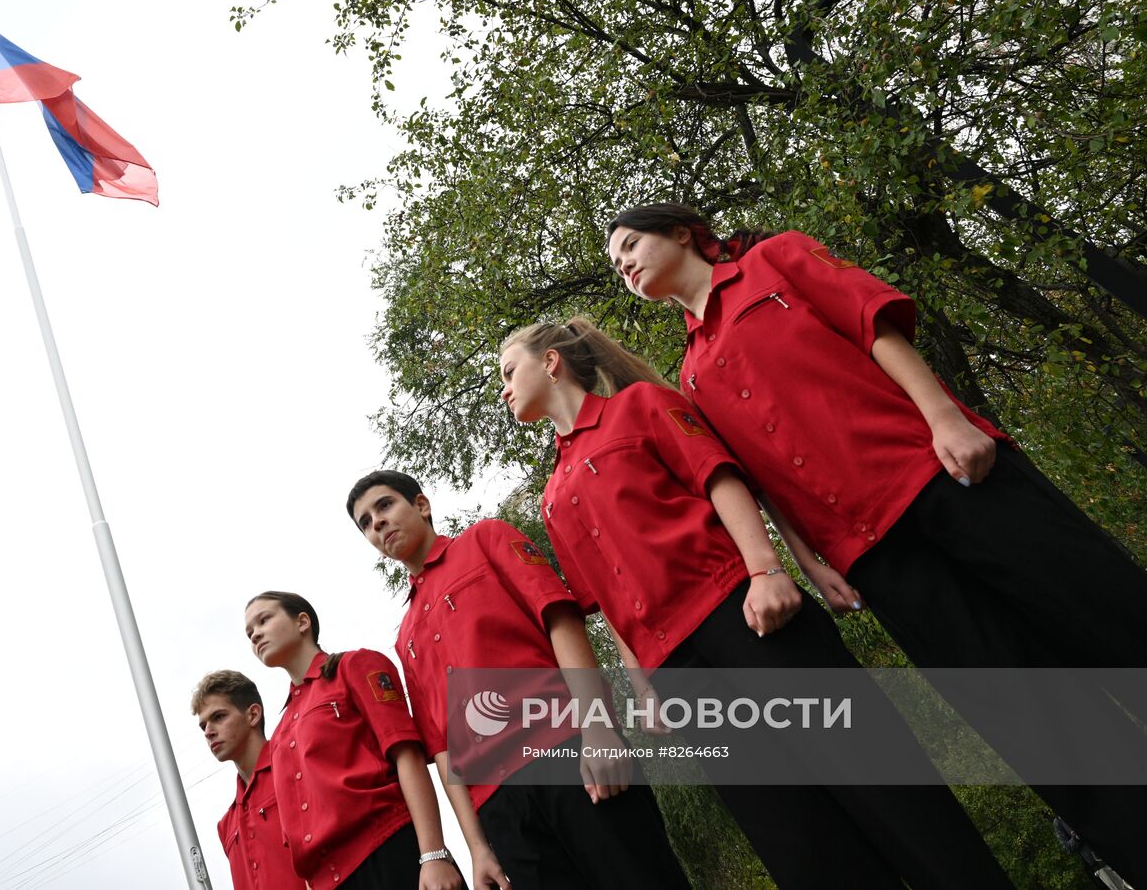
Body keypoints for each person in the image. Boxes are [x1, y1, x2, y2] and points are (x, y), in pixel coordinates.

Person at [603, 202, 1147, 884]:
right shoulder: (690, 376)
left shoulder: (776, 258)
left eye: (629, 244)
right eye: (615, 261)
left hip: (945, 475)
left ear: (681, 231)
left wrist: (944, 415)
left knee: (1112, 615)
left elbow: (873, 324)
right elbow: (760, 478)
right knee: (1025, 713)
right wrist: (810, 559)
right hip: (877, 556)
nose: (623, 263)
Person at [499, 317, 1015, 889]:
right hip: (679, 672)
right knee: (794, 840)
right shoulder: (552, 495)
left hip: (744, 616)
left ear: (550, 363)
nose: (503, 388)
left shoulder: (640, 405)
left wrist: (765, 570)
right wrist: (642, 685)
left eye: (508, 370)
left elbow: (718, 479)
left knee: (882, 785)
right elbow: (606, 598)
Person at [346, 469, 691, 890]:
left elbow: (560, 621)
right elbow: (441, 748)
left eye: (384, 506)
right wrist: (477, 847)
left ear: (421, 505)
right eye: (365, 522)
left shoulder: (486, 540)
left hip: (569, 755)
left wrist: (598, 729)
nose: (377, 522)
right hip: (500, 809)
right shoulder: (404, 638)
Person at [244, 591, 464, 890]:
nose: (256, 634)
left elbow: (406, 755)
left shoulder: (354, 667)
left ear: (302, 622)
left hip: (388, 851)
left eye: (264, 620)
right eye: (249, 633)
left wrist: (433, 854)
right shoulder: (281, 733)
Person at [191, 669, 304, 890]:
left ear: (253, 715)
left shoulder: (299, 766)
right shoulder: (227, 825)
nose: (208, 731)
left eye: (219, 717)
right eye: (203, 725)